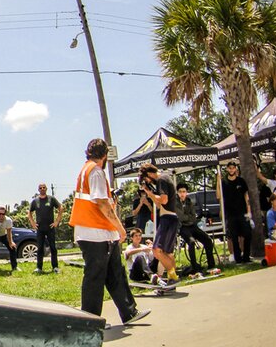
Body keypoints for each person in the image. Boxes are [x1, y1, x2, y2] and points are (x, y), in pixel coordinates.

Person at [69, 138, 148, 325]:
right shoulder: (95, 172)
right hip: (95, 232)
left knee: (116, 273)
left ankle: (129, 312)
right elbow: (102, 203)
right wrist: (121, 228)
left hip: (100, 232)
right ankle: (91, 320)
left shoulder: (85, 169)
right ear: (105, 155)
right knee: (95, 277)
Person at [139, 163, 179, 283]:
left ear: (150, 174)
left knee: (156, 250)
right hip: (171, 217)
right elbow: (159, 204)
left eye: (146, 179)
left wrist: (150, 193)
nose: (148, 182)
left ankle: (173, 276)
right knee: (167, 252)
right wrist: (150, 194)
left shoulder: (161, 179)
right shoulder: (166, 178)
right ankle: (173, 277)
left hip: (167, 218)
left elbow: (163, 199)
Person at [176, 183, 218, 272]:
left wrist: (188, 218)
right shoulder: (175, 203)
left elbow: (194, 217)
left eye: (184, 191)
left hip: (192, 226)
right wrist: (188, 217)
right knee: (191, 242)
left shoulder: (189, 201)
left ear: (186, 192)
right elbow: (181, 217)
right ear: (177, 192)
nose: (182, 194)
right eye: (180, 192)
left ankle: (211, 265)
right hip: (182, 227)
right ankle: (195, 267)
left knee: (207, 239)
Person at [218, 160, 252, 263]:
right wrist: (218, 181)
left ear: (236, 169)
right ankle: (238, 259)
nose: (231, 169)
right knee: (234, 236)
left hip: (242, 212)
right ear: (227, 169)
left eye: (233, 168)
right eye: (230, 168)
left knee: (248, 234)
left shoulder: (241, 181)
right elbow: (218, 196)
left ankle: (246, 257)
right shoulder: (224, 182)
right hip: (231, 214)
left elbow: (246, 196)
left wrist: (249, 211)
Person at [29, 182, 63, 273]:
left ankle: (55, 267)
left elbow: (60, 208)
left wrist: (56, 221)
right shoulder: (35, 201)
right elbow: (29, 212)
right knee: (40, 248)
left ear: (46, 189)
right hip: (40, 229)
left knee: (53, 247)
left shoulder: (51, 199)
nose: (42, 189)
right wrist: (32, 223)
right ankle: (39, 268)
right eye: (40, 188)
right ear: (38, 189)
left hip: (50, 228)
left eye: (44, 187)